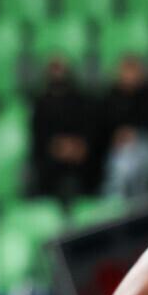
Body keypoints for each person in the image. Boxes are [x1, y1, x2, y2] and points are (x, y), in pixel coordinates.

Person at [29, 54, 102, 201]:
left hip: (82, 164)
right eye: (54, 68)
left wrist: (75, 147)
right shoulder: (40, 105)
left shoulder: (84, 102)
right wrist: (57, 147)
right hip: (50, 165)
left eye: (60, 68)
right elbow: (39, 139)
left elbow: (91, 134)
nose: (57, 73)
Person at [100, 54, 148, 198]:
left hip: (146, 147)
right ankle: (118, 200)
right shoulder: (110, 98)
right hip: (117, 149)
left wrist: (136, 133)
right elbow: (103, 128)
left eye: (133, 72)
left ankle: (139, 201)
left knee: (135, 161)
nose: (129, 76)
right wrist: (118, 135)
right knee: (122, 162)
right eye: (126, 72)